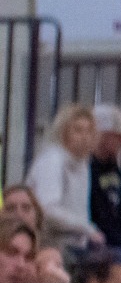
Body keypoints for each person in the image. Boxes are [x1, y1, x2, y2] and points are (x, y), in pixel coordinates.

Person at [26, 108, 99, 255]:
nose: (85, 137)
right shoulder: (52, 160)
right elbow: (48, 209)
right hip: (51, 243)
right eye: (78, 130)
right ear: (63, 133)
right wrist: (87, 228)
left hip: (76, 242)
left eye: (89, 131)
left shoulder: (82, 164)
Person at [83, 111, 121, 254]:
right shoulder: (87, 168)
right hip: (97, 240)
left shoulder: (114, 165)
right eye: (118, 137)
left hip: (117, 239)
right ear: (101, 135)